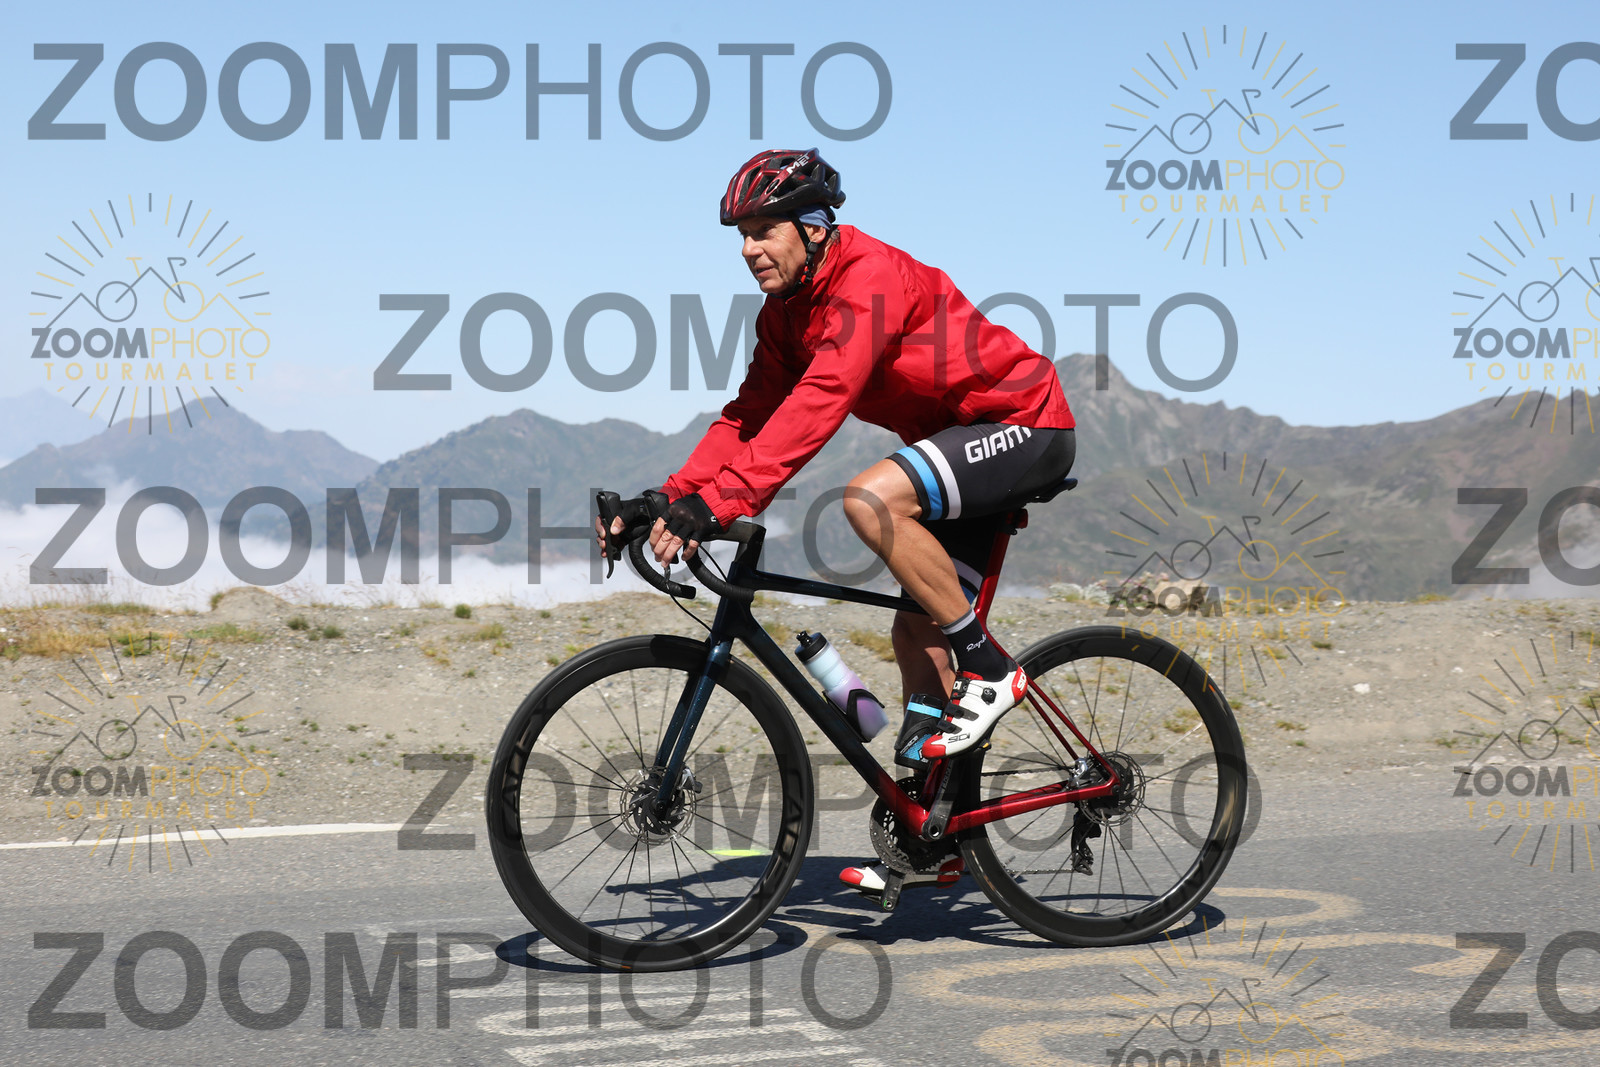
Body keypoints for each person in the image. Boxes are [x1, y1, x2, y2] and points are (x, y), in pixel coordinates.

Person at [598, 147, 1076, 894]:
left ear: (814, 227)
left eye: (763, 230)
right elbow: (750, 416)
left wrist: (721, 503)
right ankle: (935, 832)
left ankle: (990, 670)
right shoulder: (785, 313)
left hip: (1024, 424)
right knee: (915, 632)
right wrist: (667, 497)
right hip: (957, 446)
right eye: (741, 236)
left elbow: (821, 401)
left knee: (871, 500)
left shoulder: (867, 278)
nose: (749, 249)